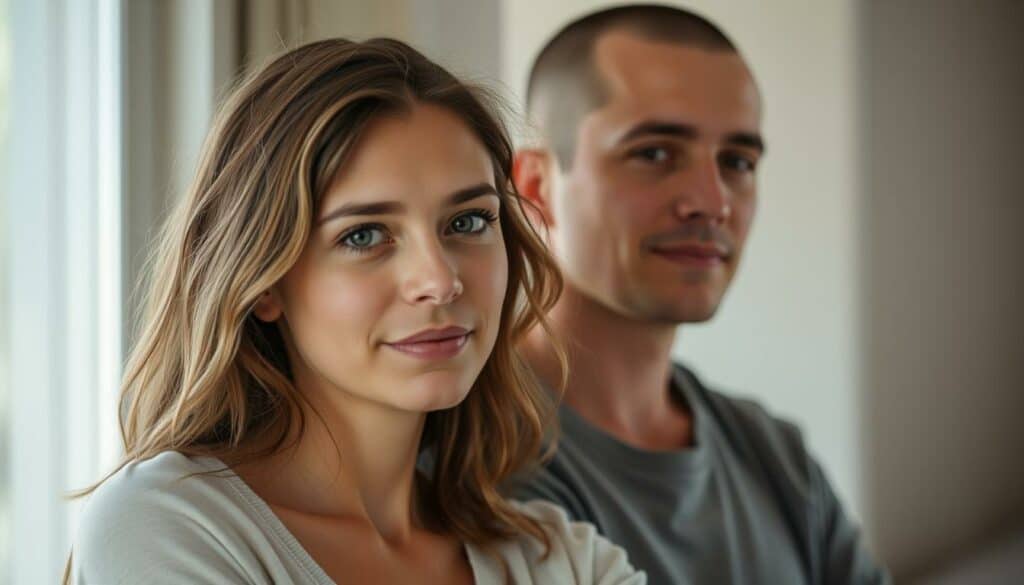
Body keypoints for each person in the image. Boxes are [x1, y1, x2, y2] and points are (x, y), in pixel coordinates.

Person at [69, 38, 645, 585]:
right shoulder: (171, 527)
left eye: (468, 222)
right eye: (365, 235)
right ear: (264, 281)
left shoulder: (560, 557)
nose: (441, 282)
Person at [507, 5, 890, 584]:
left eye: (737, 161)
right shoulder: (476, 461)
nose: (713, 202)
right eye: (655, 153)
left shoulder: (773, 453)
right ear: (537, 185)